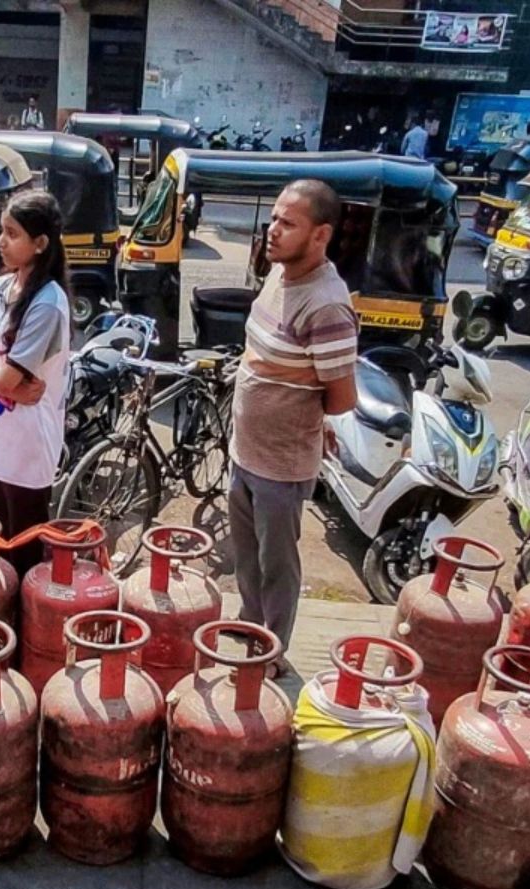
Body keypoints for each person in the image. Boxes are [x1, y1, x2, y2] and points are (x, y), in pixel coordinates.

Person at [228, 180, 357, 659]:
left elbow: (341, 399)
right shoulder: (278, 275)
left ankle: (272, 652)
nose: (273, 231)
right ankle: (250, 626)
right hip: (245, 452)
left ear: (320, 235)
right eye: (273, 219)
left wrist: (296, 397)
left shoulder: (327, 304)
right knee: (246, 559)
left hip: (282, 468)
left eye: (288, 223)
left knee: (276, 565)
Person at [0, 190, 70, 575]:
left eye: (12, 234)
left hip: (27, 451)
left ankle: (23, 632)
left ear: (39, 244)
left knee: (21, 556)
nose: (0, 242)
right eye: (2, 231)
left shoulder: (48, 303)